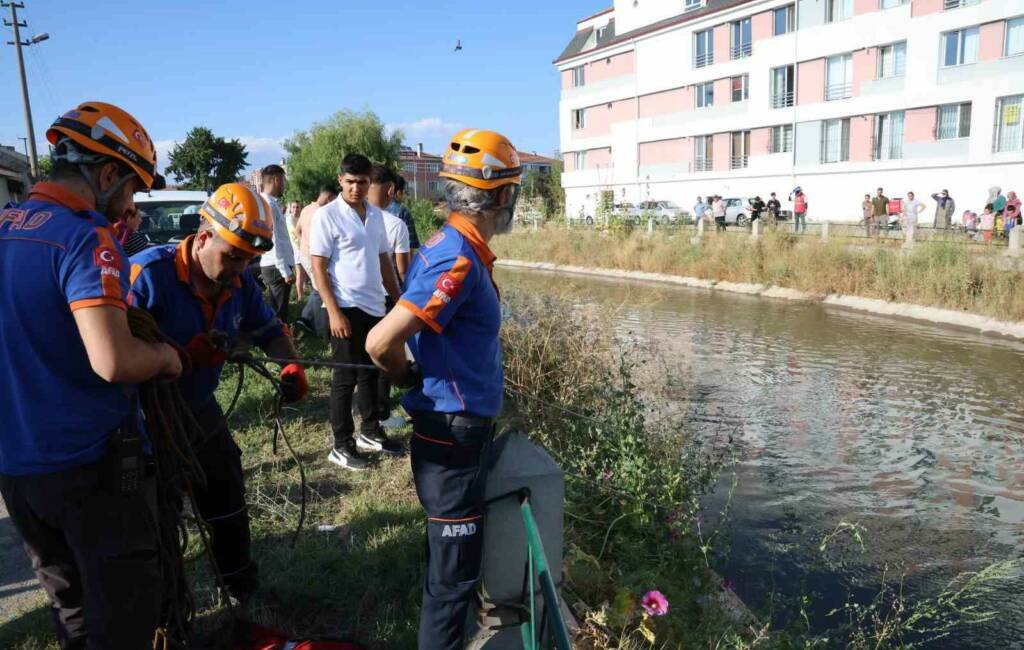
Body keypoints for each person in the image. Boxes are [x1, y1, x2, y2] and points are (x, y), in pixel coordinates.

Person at [0, 101, 182, 648]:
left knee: (71, 606)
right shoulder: (85, 238)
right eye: (130, 190)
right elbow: (114, 361)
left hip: (19, 469)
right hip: (89, 470)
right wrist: (165, 359)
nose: (129, 208)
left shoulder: (6, 228)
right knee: (123, 611)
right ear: (106, 175)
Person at [365, 128, 521, 650]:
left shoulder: (453, 246)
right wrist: (407, 376)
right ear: (500, 196)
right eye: (513, 192)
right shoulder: (455, 258)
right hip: (452, 434)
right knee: (453, 581)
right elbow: (381, 341)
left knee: (450, 567)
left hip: (456, 430)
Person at [128, 182, 306, 602]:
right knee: (157, 517)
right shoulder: (144, 276)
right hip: (144, 419)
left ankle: (240, 585)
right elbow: (111, 355)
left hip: (199, 408)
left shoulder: (240, 283)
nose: (240, 269)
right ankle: (168, 609)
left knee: (225, 485)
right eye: (233, 256)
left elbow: (269, 332)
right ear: (204, 236)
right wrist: (177, 357)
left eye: (248, 260)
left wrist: (291, 363)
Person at [310, 153, 402, 470]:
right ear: (340, 181)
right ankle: (341, 445)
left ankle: (371, 431)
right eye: (350, 182)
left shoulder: (376, 216)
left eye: (362, 183)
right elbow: (318, 267)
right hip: (345, 306)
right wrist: (334, 312)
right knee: (345, 377)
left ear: (369, 183)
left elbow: (384, 263)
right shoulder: (327, 216)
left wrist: (399, 299)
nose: (356, 189)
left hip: (375, 305)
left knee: (372, 373)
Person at [367, 164, 412, 432]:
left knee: (361, 360)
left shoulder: (352, 219)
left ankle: (365, 412)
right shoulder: (396, 225)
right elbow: (403, 269)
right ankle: (381, 414)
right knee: (384, 355)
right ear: (391, 190)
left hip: (356, 300)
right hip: (386, 298)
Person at [294, 184, 337, 336]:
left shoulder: (306, 209)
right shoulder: (321, 213)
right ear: (329, 197)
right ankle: (321, 331)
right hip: (313, 258)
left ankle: (304, 317)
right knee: (321, 291)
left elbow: (297, 230)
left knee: (317, 289)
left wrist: (302, 244)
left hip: (304, 255)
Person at [258, 164, 296, 322]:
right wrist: (285, 271)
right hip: (276, 266)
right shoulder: (269, 205)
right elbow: (275, 240)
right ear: (275, 180)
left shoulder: (266, 202)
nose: (285, 185)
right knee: (279, 313)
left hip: (273, 264)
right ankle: (280, 343)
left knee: (277, 309)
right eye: (283, 181)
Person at [390, 174, 421, 250]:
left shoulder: (374, 210)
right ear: (399, 193)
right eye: (404, 192)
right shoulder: (403, 212)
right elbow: (410, 246)